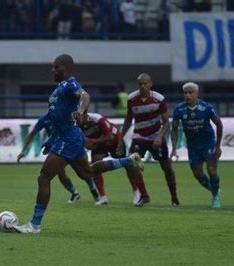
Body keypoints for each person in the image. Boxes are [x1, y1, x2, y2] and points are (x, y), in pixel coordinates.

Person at [12, 54, 143, 234]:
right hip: (67, 137)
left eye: (56, 67)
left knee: (44, 177)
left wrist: (81, 110)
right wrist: (51, 140)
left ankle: (34, 225)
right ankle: (127, 161)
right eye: (53, 67)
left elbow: (84, 95)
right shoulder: (58, 90)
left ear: (66, 68)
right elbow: (57, 118)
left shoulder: (70, 84)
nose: (53, 70)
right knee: (87, 171)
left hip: (69, 138)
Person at [117, 73, 180, 207]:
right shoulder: (132, 98)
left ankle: (174, 198)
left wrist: (160, 137)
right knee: (131, 163)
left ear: (150, 84)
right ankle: (144, 195)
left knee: (167, 168)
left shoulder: (159, 99)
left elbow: (166, 121)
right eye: (140, 84)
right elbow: (128, 119)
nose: (143, 86)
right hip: (139, 136)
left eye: (145, 83)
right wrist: (120, 139)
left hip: (156, 136)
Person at [17, 113, 100, 204]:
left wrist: (84, 141)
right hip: (58, 149)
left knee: (84, 172)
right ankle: (75, 194)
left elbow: (77, 128)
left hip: (73, 145)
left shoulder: (66, 115)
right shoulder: (44, 120)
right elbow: (32, 133)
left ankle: (94, 190)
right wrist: (23, 151)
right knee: (60, 173)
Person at [75, 112, 148, 205]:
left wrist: (93, 141)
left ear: (85, 115)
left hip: (114, 141)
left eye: (80, 118)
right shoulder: (77, 124)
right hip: (100, 144)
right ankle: (102, 197)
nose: (78, 121)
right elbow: (84, 140)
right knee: (94, 166)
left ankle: (136, 192)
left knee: (128, 166)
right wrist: (88, 145)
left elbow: (109, 136)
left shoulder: (98, 119)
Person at [170, 82, 223, 208]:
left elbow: (219, 124)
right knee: (198, 175)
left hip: (208, 142)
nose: (187, 95)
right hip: (193, 146)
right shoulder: (179, 109)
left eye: (190, 92)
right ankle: (214, 190)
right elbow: (174, 129)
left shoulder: (207, 108)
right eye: (185, 93)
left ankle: (215, 196)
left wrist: (218, 146)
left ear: (196, 94)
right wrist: (173, 149)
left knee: (212, 171)